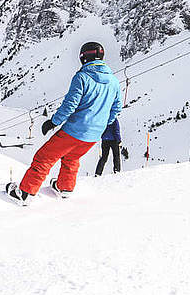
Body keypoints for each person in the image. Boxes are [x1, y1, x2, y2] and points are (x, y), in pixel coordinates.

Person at [7, 41, 122, 203]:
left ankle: (25, 193)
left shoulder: (82, 77)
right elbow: (116, 108)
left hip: (75, 130)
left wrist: (53, 122)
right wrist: (102, 124)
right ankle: (65, 187)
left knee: (44, 158)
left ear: (84, 57)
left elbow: (70, 105)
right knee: (72, 157)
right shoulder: (114, 81)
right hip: (94, 135)